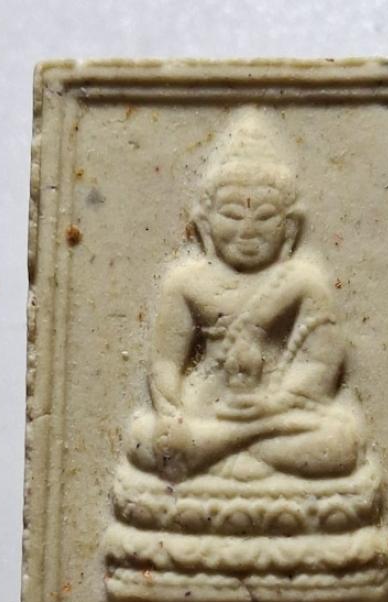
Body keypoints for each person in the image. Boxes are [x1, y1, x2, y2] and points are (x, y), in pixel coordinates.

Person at [126, 108, 365, 484]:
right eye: (233, 216)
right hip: (206, 409)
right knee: (143, 437)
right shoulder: (186, 283)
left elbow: (322, 362)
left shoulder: (303, 282)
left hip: (279, 412)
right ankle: (234, 448)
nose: (248, 230)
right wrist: (173, 413)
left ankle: (221, 450)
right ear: (204, 224)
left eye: (265, 216)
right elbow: (165, 363)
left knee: (340, 442)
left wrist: (272, 405)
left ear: (291, 226)